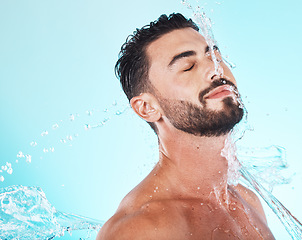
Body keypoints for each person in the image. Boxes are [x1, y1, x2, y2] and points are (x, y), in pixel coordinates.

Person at [97, 13, 275, 240]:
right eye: (188, 66)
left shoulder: (247, 201)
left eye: (216, 57)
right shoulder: (140, 228)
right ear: (147, 108)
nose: (216, 70)